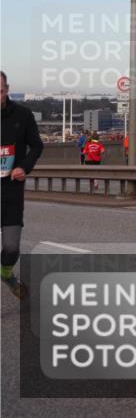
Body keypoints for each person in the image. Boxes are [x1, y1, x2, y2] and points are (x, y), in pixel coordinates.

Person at [1, 71, 43, 299]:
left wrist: (23, 167)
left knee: (11, 247)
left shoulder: (23, 115)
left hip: (11, 188)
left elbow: (36, 146)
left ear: (6, 89)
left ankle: (5, 273)